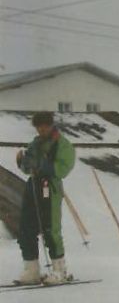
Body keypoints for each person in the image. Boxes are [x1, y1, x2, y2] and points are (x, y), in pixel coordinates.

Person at [14, 111, 77, 285]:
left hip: (50, 188)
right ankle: (31, 269)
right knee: (26, 228)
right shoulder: (35, 144)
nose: (41, 129)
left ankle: (59, 270)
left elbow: (63, 168)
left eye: (44, 126)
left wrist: (42, 165)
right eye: (38, 127)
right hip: (33, 186)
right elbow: (29, 167)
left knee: (51, 228)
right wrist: (22, 163)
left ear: (51, 125)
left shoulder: (62, 144)